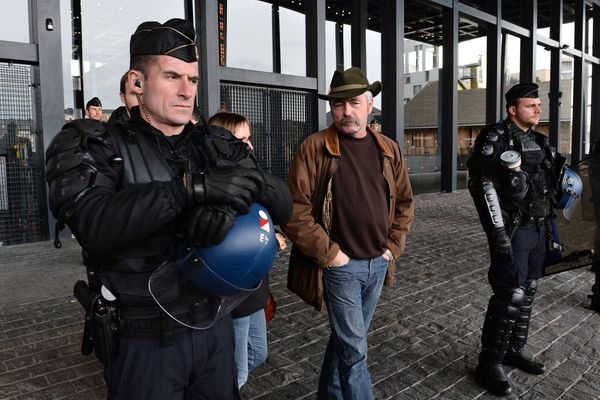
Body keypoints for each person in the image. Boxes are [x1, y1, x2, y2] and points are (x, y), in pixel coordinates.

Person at [45, 18, 291, 400]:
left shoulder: (215, 142)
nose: (186, 91)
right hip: (144, 339)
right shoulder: (92, 141)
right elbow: (93, 222)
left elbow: (284, 202)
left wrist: (241, 194)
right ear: (137, 83)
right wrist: (191, 189)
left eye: (192, 80)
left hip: (215, 328)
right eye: (172, 77)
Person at [281, 67, 414, 400]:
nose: (346, 112)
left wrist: (392, 247)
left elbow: (405, 203)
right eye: (338, 104)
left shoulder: (388, 149)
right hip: (341, 267)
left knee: (346, 342)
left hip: (378, 263)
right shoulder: (314, 147)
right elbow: (295, 211)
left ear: (369, 106)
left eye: (353, 102)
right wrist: (331, 256)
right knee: (355, 352)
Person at [467, 83, 562, 396]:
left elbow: (549, 184)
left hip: (538, 226)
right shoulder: (495, 137)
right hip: (514, 229)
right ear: (512, 109)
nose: (538, 110)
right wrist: (497, 234)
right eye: (530, 106)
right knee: (510, 294)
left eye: (538, 105)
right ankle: (489, 362)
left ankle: (513, 349)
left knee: (530, 289)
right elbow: (481, 186)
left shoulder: (538, 139)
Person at [208, 111, 270, 388]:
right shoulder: (220, 189)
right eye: (242, 140)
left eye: (250, 138)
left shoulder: (249, 179)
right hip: (235, 293)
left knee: (258, 352)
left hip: (254, 290)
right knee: (238, 371)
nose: (250, 146)